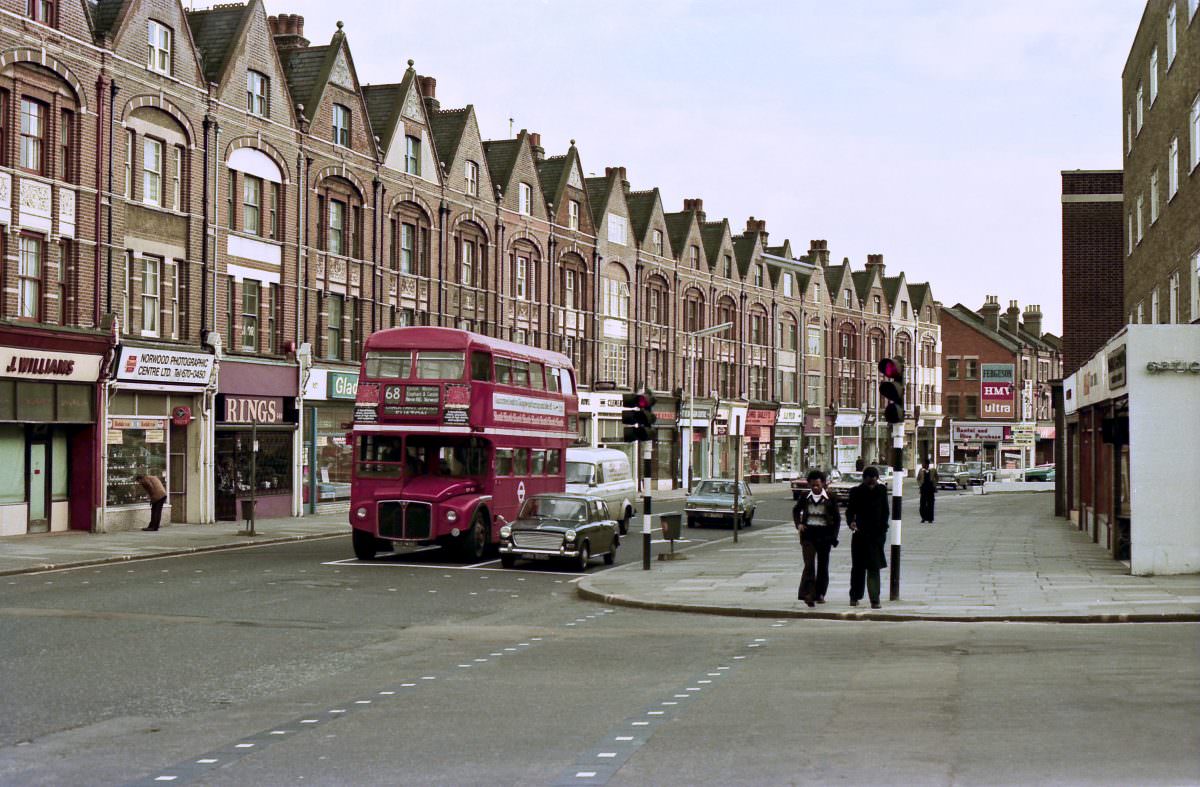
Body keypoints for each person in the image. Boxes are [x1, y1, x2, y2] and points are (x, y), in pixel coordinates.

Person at [793, 469, 841, 607]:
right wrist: (799, 524)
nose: (815, 488)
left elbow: (837, 519)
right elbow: (796, 510)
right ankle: (809, 594)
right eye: (812, 485)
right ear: (809, 484)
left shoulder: (830, 498)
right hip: (808, 535)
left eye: (817, 485)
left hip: (824, 536)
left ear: (823, 484)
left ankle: (820, 594)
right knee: (809, 565)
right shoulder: (804, 497)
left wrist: (834, 536)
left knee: (822, 566)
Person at [846, 465, 890, 609]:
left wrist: (883, 530)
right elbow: (850, 511)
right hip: (860, 534)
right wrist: (851, 522)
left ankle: (874, 599)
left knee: (874, 567)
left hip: (876, 535)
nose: (872, 483)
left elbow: (885, 512)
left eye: (875, 480)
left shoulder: (882, 491)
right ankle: (855, 596)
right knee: (858, 568)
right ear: (864, 479)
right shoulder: (856, 492)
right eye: (870, 481)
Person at [917, 459, 939, 523]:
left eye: (923, 463)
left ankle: (930, 519)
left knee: (930, 504)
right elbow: (918, 479)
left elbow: (937, 477)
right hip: (923, 489)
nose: (922, 465)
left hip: (930, 489)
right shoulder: (921, 470)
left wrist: (934, 483)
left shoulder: (933, 470)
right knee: (922, 505)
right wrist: (920, 484)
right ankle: (923, 517)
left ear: (927, 464)